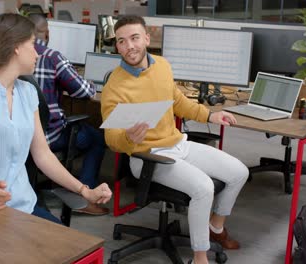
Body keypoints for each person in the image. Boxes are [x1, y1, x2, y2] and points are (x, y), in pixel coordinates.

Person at [100, 15, 248, 264]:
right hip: (145, 156)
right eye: (122, 41)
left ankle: (216, 228)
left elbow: (178, 102)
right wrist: (127, 137)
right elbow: (112, 139)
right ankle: (200, 257)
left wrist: (211, 115)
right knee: (204, 188)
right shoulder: (114, 86)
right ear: (117, 46)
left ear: (147, 38)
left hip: (177, 144)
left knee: (239, 172)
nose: (129, 46)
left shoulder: (162, 65)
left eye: (135, 38)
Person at [0, 13, 112, 224]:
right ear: (16, 46)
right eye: (33, 44)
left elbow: (43, 155)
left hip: (23, 204)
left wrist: (84, 190)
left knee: (64, 248)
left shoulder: (28, 91)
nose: (37, 53)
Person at [27, 14, 109, 215]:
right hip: (49, 138)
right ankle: (85, 198)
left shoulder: (13, 57)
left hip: (23, 136)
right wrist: (86, 80)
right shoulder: (52, 56)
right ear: (47, 32)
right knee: (98, 138)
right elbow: (85, 92)